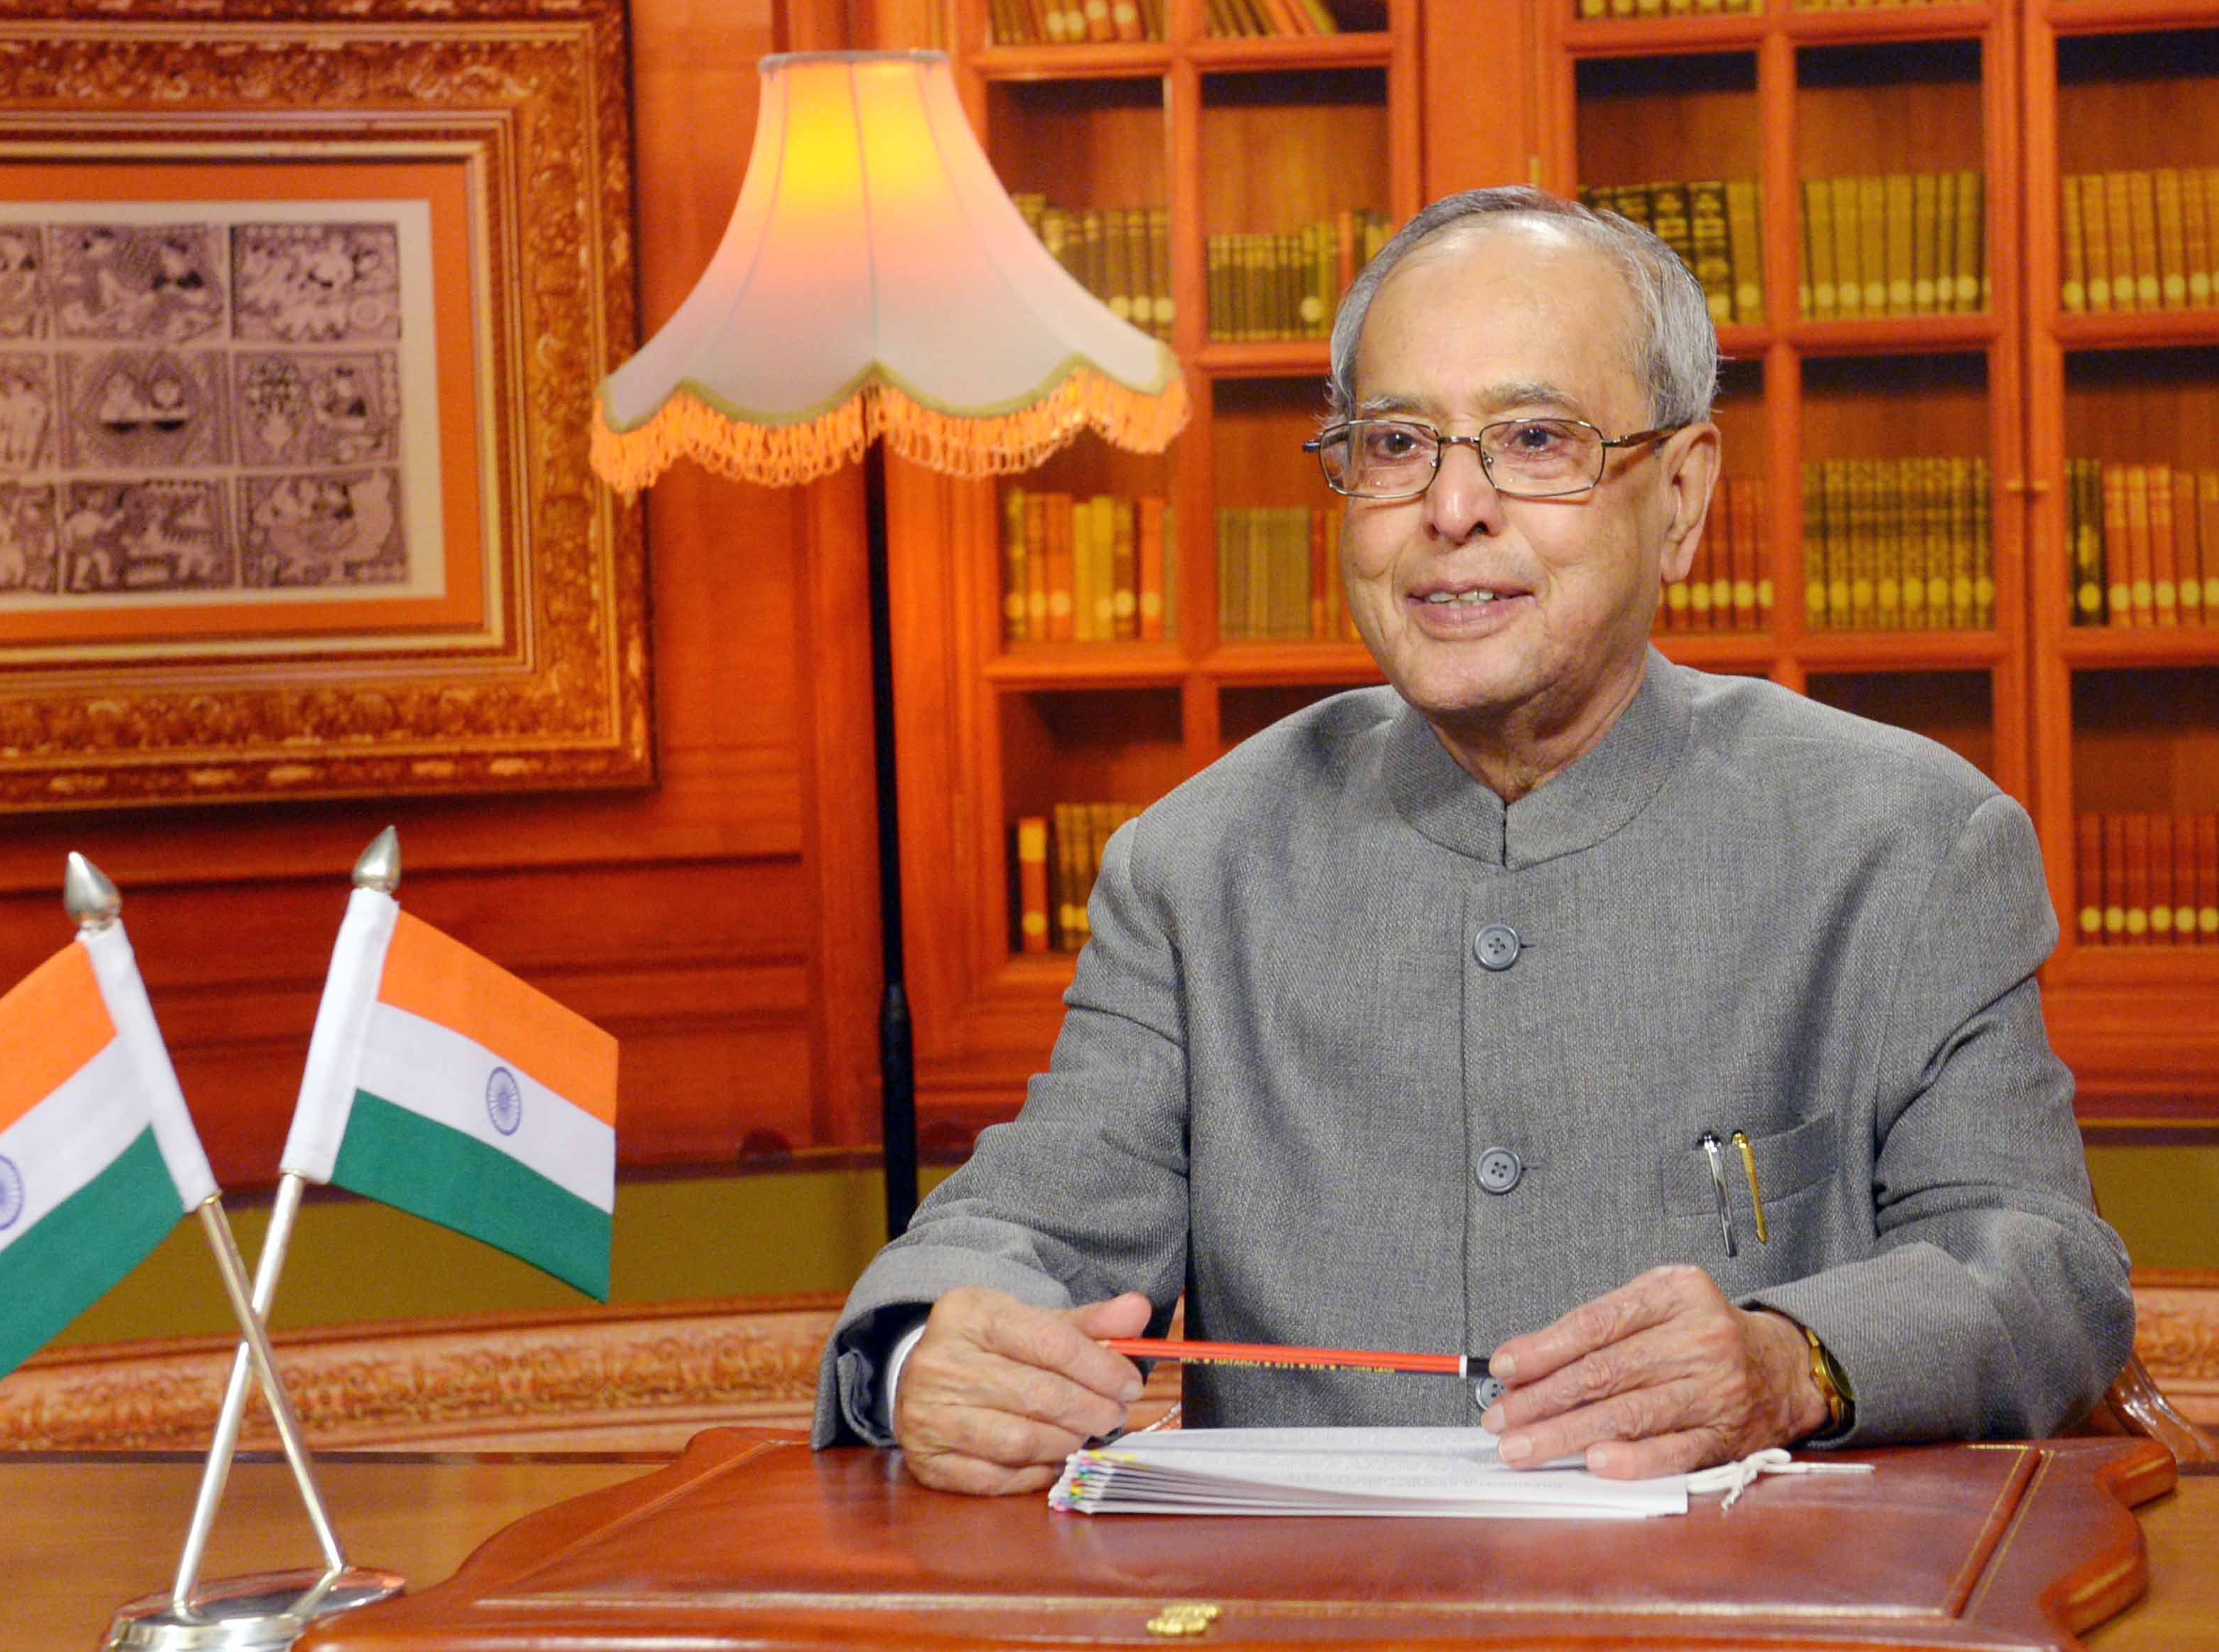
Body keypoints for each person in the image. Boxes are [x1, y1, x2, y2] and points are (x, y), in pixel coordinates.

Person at [817, 185, 2136, 1495]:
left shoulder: (1908, 843)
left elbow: (2040, 1271)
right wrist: (922, 1355)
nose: (1452, 508)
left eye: (1535, 439)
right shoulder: (1195, 866)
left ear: (1679, 497)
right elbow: (1016, 1231)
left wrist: (1792, 1362)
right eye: (1395, 445)